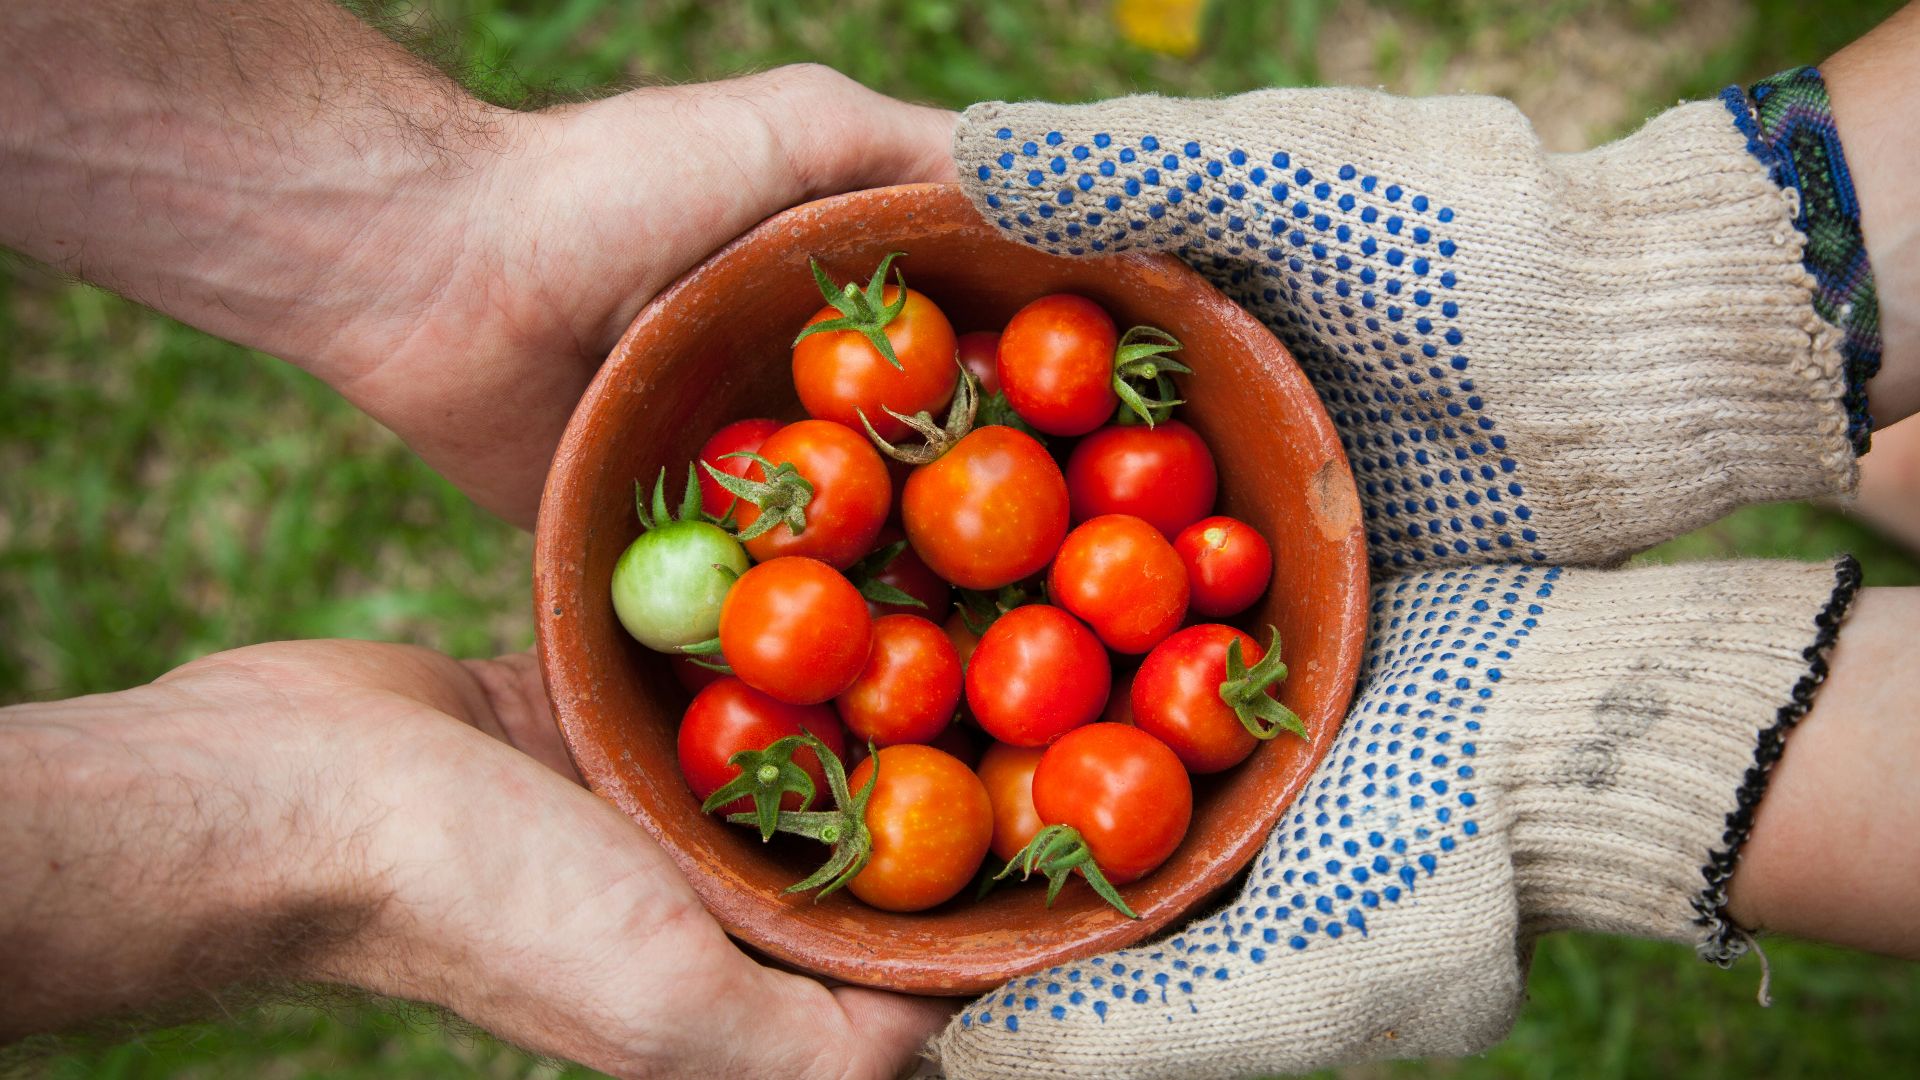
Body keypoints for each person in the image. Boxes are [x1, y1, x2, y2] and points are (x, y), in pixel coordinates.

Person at [2, 1, 1917, 1078]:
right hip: (1072, 654)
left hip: (1080, 628)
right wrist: (1668, 741)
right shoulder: (917, 618)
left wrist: (1677, 288)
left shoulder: (921, 563)